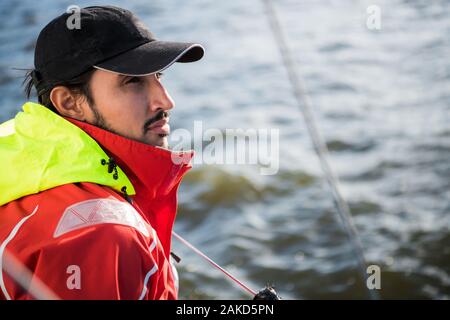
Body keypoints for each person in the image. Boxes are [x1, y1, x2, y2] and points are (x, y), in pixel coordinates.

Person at [0, 5, 204, 300]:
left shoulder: (17, 152)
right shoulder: (106, 235)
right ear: (69, 103)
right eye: (133, 81)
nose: (166, 101)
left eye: (158, 75)